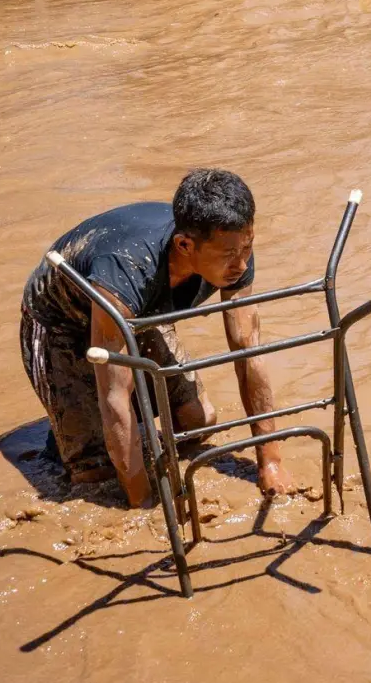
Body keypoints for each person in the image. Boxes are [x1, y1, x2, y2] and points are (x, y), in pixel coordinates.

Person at [20, 169, 298, 506]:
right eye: (229, 255)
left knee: (198, 421)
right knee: (94, 474)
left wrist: (270, 461)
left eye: (247, 247)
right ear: (184, 245)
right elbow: (115, 394)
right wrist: (145, 502)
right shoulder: (127, 269)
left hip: (143, 309)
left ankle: (91, 429)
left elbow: (247, 349)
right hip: (61, 321)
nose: (241, 264)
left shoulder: (233, 248)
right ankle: (72, 440)